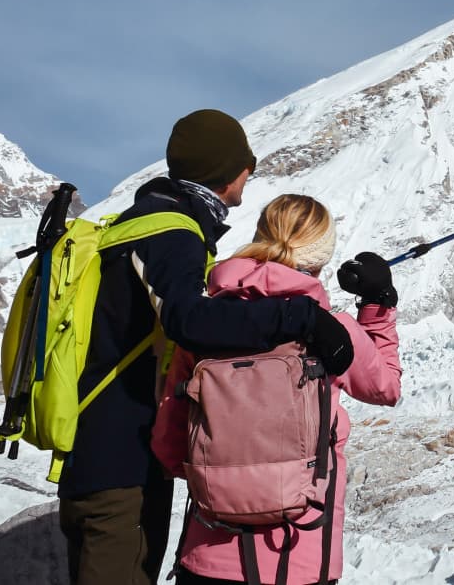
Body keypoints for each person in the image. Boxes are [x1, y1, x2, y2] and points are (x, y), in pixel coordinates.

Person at [58, 110, 357, 585]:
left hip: (102, 450)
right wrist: (299, 316)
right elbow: (188, 321)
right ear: (226, 171)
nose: (250, 174)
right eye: (247, 164)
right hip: (118, 463)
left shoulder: (148, 221)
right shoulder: (171, 231)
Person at [151, 193, 402, 585]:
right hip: (298, 558)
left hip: (207, 555)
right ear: (320, 256)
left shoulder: (203, 324)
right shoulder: (330, 329)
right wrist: (376, 306)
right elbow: (386, 388)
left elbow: (169, 446)